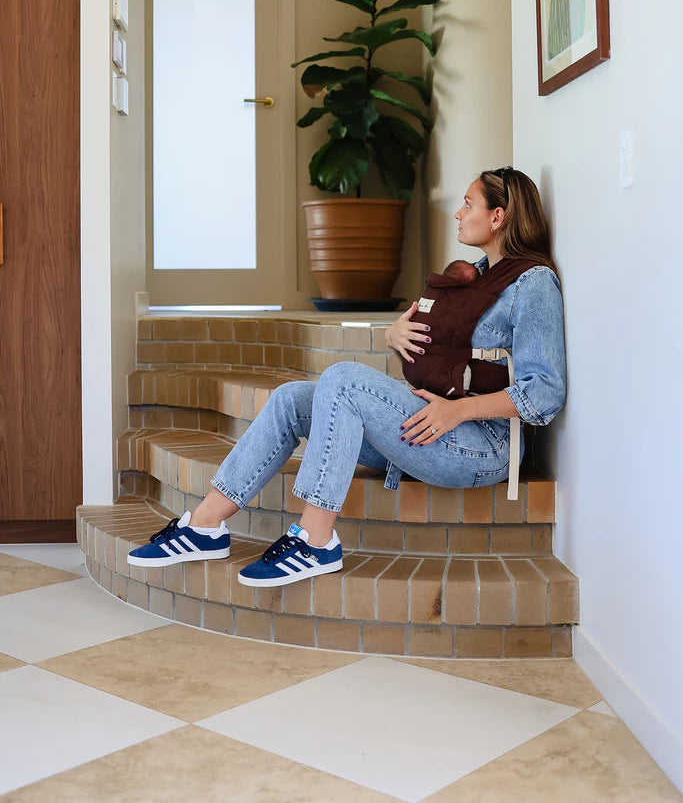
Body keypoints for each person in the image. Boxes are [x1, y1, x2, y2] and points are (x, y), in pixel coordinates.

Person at [128, 167, 566, 588]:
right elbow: (447, 351)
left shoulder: (533, 283)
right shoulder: (475, 275)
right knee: (291, 398)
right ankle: (204, 526)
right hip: (429, 424)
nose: (458, 213)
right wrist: (394, 335)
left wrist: (460, 411)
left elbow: (545, 393)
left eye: (468, 204)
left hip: (482, 445)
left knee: (344, 381)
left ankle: (316, 540)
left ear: (497, 216)